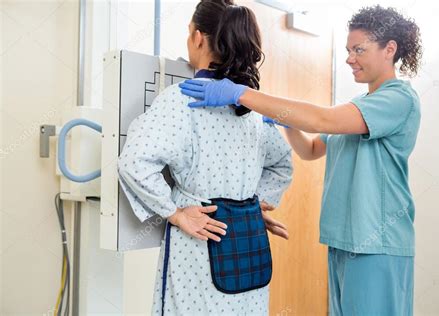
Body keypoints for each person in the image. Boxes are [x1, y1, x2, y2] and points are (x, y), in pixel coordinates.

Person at [180, 5, 422, 315]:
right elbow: (310, 149)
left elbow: (322, 120)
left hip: (377, 243)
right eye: (348, 50)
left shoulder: (399, 99)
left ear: (390, 49)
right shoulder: (360, 104)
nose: (350, 58)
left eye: (359, 49)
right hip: (345, 241)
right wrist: (286, 123)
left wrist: (241, 94)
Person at [117, 0, 292, 315]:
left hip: (199, 242)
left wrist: (175, 212)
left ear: (198, 37)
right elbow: (282, 165)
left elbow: (134, 163)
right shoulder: (253, 106)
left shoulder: (182, 99)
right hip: (247, 246)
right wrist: (249, 207)